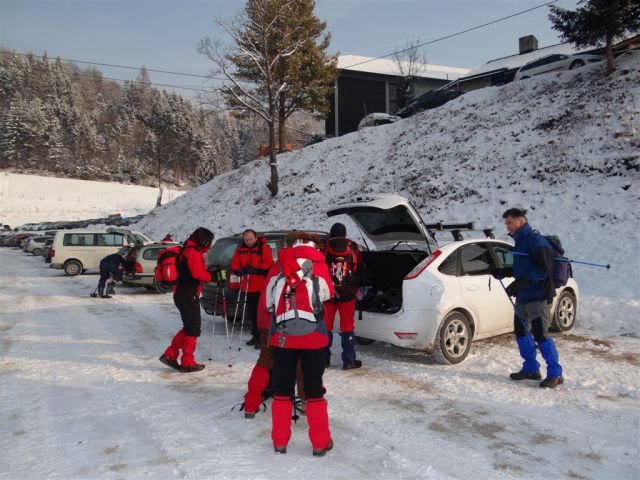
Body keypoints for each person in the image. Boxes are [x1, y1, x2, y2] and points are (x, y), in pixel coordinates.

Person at [266, 231, 335, 456]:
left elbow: (269, 302)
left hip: (283, 338)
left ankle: (279, 442)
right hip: (313, 338)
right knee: (314, 389)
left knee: (282, 388)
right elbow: (327, 294)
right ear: (313, 245)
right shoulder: (318, 263)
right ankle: (320, 443)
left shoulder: (280, 265)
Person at [499, 208, 564, 388]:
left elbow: (544, 269)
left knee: (540, 335)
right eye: (506, 223)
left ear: (521, 221)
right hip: (524, 295)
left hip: (539, 295)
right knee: (520, 332)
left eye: (510, 222)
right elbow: (523, 266)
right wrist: (503, 271)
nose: (507, 226)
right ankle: (531, 368)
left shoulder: (536, 241)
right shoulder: (520, 242)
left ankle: (555, 373)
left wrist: (523, 282)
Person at [159, 227, 214, 373]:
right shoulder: (192, 252)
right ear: (203, 241)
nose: (208, 246)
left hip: (183, 294)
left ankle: (170, 355)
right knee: (193, 329)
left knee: (189, 327)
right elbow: (198, 274)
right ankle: (187, 362)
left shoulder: (187, 249)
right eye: (208, 243)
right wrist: (212, 277)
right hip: (187, 294)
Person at [324, 222, 364, 370]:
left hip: (328, 294)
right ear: (344, 233)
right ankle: (349, 361)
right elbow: (360, 268)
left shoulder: (324, 247)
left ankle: (323, 359)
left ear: (331, 233)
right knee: (347, 327)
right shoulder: (352, 247)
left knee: (326, 327)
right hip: (348, 294)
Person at [230, 229, 274, 347]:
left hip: (260, 287)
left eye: (250, 239)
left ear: (255, 238)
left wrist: (255, 269)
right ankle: (255, 336)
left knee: (262, 315)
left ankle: (263, 338)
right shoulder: (240, 249)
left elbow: (268, 264)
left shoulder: (263, 248)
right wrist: (240, 270)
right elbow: (234, 263)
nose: (248, 242)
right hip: (247, 286)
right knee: (252, 314)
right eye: (246, 240)